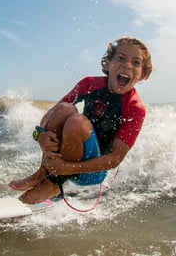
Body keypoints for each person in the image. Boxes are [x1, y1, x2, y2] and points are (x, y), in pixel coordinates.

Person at [9, 36, 153, 204]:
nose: (127, 65)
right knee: (64, 108)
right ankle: (42, 174)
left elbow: (114, 159)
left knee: (77, 121)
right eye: (121, 58)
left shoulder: (135, 108)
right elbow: (52, 113)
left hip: (91, 172)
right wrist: (39, 134)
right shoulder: (90, 84)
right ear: (107, 63)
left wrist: (67, 168)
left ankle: (54, 184)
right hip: (64, 161)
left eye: (136, 62)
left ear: (143, 74)